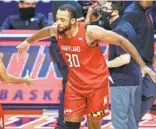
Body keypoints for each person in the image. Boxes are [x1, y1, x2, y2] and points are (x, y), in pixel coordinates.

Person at [16, 4, 156, 129]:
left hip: (96, 86)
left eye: (62, 20)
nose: (58, 23)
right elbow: (45, 31)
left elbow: (122, 41)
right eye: (57, 19)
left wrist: (142, 65)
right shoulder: (57, 30)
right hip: (75, 86)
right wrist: (27, 42)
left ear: (73, 21)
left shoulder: (91, 32)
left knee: (94, 126)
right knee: (70, 125)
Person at [101, 1, 138, 129]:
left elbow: (125, 58)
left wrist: (104, 64)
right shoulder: (126, 25)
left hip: (122, 79)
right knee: (129, 119)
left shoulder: (120, 30)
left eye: (106, 8)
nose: (102, 10)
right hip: (131, 79)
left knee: (120, 121)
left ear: (115, 12)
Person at [121, 1, 156, 126]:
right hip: (135, 64)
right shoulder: (131, 13)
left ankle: (130, 123)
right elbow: (123, 38)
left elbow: (148, 36)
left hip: (147, 62)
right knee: (135, 104)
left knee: (151, 93)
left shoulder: (148, 11)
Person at [51, 1, 84, 129]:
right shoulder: (71, 4)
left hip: (59, 46)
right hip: (63, 46)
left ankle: (67, 120)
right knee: (71, 85)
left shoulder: (62, 3)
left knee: (70, 84)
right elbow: (80, 24)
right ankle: (64, 122)